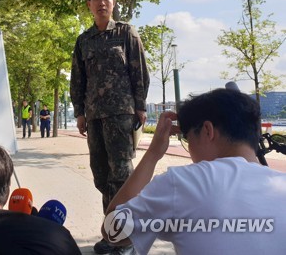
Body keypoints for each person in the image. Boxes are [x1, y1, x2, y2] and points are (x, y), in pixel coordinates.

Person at [102, 89, 286, 255]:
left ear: (207, 130)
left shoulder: (183, 182)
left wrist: (153, 154)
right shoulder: (281, 184)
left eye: (187, 138)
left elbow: (112, 231)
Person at [70, 0, 149, 254]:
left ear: (113, 2)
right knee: (102, 177)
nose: (102, 3)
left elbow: (139, 71)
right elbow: (77, 80)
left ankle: (127, 238)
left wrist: (140, 106)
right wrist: (79, 112)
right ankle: (112, 233)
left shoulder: (127, 33)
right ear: (88, 5)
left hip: (121, 114)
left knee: (123, 175)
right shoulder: (83, 41)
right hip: (94, 118)